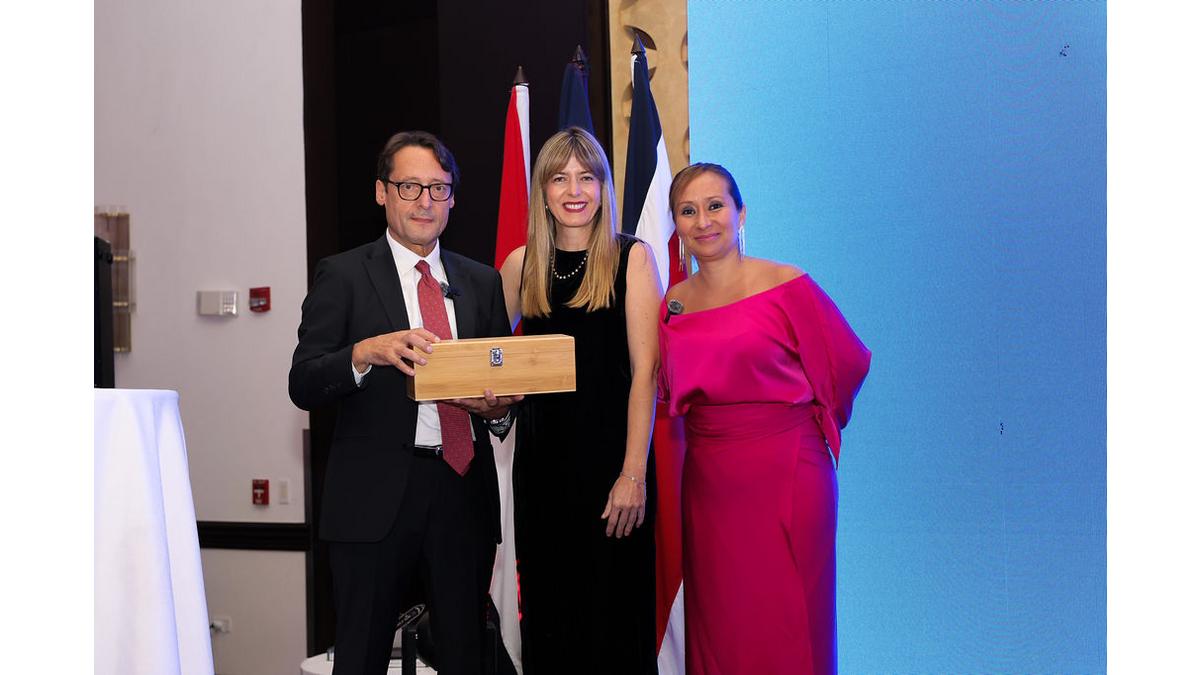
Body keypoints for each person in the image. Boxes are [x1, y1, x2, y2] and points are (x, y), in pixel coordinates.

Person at [289, 131, 522, 675]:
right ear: (382, 192)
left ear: (453, 199)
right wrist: (364, 353)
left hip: (461, 494)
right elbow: (304, 382)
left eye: (438, 188)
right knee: (362, 658)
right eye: (409, 186)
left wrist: (498, 411)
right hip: (373, 500)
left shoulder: (482, 281)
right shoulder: (344, 275)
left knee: (465, 656)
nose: (424, 201)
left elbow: (506, 391)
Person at [658, 163, 871, 675]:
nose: (703, 221)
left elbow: (847, 361)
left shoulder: (788, 284)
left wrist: (799, 427)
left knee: (791, 618)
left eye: (715, 206)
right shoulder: (673, 303)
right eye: (688, 211)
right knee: (721, 622)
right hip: (710, 486)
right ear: (676, 225)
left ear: (741, 213)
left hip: (788, 474)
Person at [498, 127, 662, 673]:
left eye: (586, 177)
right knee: (550, 624)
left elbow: (646, 374)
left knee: (613, 627)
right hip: (542, 475)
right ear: (542, 191)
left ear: (603, 186)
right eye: (560, 178)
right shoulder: (520, 265)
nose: (574, 190)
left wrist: (633, 474)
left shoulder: (632, 258)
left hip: (614, 475)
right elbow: (487, 359)